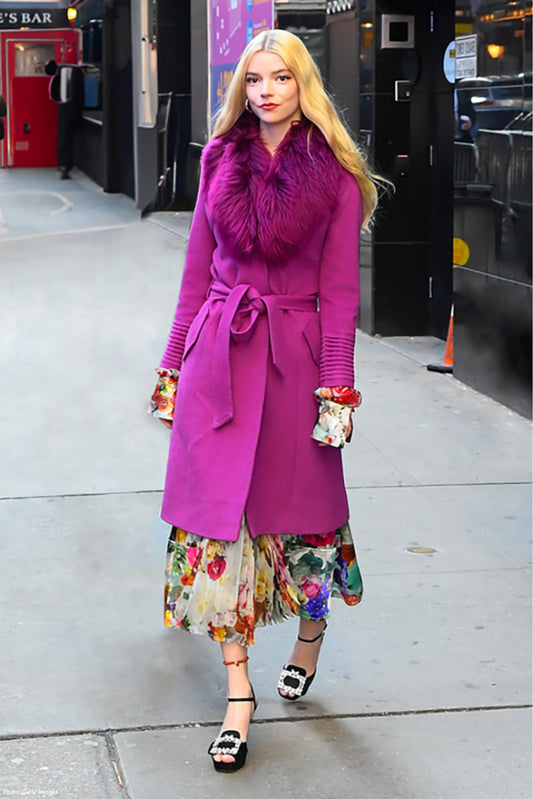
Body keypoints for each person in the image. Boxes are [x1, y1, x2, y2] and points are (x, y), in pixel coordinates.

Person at [149, 29, 383, 773]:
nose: (265, 91)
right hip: (219, 353)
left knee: (302, 522)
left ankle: (309, 635)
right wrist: (172, 366)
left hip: (295, 359)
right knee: (217, 522)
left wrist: (336, 388)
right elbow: (194, 275)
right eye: (254, 79)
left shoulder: (336, 178)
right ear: (241, 88)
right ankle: (239, 692)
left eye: (279, 78)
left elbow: (341, 296)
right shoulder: (218, 160)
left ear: (302, 84)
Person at [45, 60, 84, 179]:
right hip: (72, 107)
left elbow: (64, 93)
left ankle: (65, 165)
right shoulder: (69, 70)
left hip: (66, 106)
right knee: (66, 137)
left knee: (64, 137)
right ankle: (65, 164)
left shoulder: (64, 72)